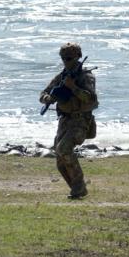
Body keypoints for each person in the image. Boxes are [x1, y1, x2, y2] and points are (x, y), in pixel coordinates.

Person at [39, 43, 98, 199]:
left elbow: (90, 98)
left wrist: (73, 88)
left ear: (78, 57)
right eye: (63, 58)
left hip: (80, 120)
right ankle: (77, 189)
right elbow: (43, 93)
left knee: (64, 149)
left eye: (69, 58)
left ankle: (79, 186)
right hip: (64, 120)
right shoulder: (62, 76)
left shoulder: (86, 76)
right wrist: (49, 98)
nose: (66, 61)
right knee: (59, 159)